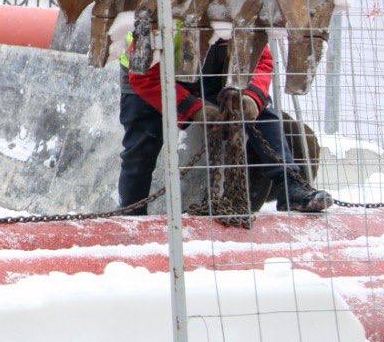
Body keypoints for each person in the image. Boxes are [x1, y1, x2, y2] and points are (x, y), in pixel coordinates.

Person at [118, 33, 332, 215]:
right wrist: (194, 108)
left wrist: (251, 98)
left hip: (209, 70)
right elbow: (144, 77)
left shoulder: (236, 8)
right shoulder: (156, 12)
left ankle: (290, 186)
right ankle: (132, 214)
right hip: (145, 77)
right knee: (142, 144)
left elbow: (261, 60)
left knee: (265, 118)